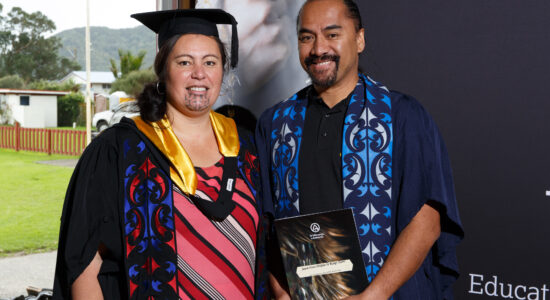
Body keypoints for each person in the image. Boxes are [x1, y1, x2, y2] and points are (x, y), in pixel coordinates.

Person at [53, 8, 268, 299]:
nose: (199, 74)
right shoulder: (121, 150)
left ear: (223, 70)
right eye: (184, 62)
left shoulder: (247, 149)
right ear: (163, 70)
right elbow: (84, 264)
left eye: (210, 61)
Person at [255, 0, 464, 299]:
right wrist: (281, 292)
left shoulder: (402, 117)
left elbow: (427, 221)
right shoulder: (275, 125)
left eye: (332, 34)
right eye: (306, 37)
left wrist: (372, 296)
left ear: (360, 39)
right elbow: (268, 225)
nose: (318, 48)